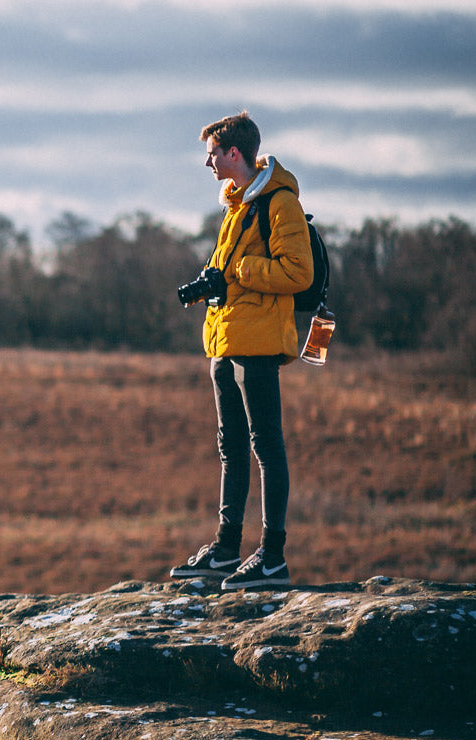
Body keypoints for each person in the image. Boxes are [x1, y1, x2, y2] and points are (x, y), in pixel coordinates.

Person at [170, 111, 312, 590]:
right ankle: (227, 549)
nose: (207, 162)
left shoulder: (279, 203)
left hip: (258, 343)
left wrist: (244, 270)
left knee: (266, 448)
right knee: (231, 447)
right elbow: (224, 269)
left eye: (211, 153)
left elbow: (299, 273)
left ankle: (272, 557)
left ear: (234, 153)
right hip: (225, 339)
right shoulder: (235, 206)